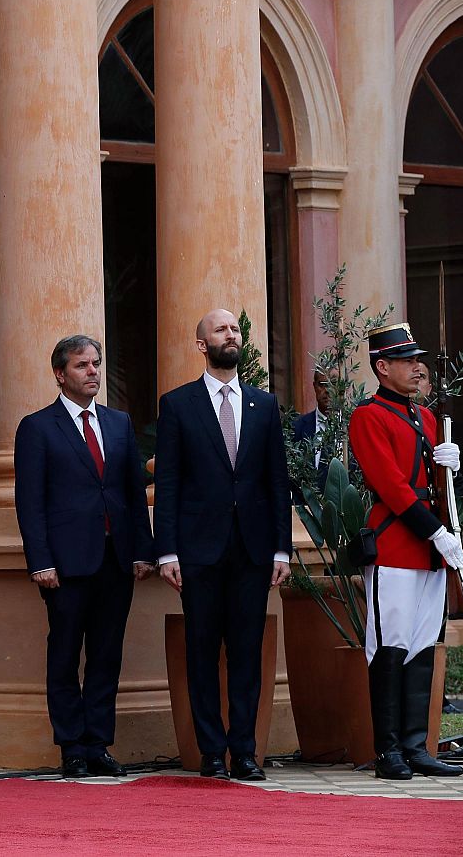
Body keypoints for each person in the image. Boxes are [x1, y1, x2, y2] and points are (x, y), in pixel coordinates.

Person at [153, 309, 292, 781]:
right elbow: (168, 483)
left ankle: (246, 752)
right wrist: (167, 551)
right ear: (202, 345)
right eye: (221, 330)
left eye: (234, 329)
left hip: (253, 551)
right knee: (202, 652)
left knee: (247, 654)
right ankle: (211, 752)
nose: (231, 335)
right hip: (198, 552)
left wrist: (282, 549)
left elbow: (277, 481)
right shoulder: (177, 405)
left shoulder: (264, 404)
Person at [13, 334, 153, 779]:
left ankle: (97, 744)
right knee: (64, 654)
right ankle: (71, 746)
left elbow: (134, 493)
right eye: (82, 365)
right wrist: (40, 561)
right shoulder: (38, 427)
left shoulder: (119, 423)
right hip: (66, 563)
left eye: (96, 364)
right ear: (60, 374)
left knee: (107, 655)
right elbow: (30, 502)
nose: (93, 372)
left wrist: (143, 550)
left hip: (116, 559)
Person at [347, 322, 463, 779]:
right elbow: (392, 487)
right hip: (396, 545)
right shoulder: (368, 415)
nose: (418, 368)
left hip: (428, 551)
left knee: (421, 646)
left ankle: (416, 746)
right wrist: (436, 533)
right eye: (407, 361)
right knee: (389, 646)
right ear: (382, 367)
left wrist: (451, 468)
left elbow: (437, 488)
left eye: (418, 361)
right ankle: (389, 751)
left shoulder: (427, 418)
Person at [292, 370, 334, 487]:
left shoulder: (353, 427)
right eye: (322, 384)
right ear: (314, 386)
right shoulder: (298, 427)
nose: (327, 390)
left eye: (333, 383)